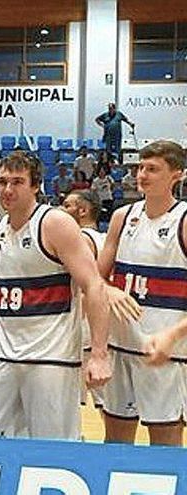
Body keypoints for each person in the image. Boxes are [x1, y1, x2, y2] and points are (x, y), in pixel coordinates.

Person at [0, 151, 111, 440]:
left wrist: (99, 354)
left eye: (18, 182)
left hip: (52, 359)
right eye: (2, 182)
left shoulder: (54, 224)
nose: (8, 190)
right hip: (2, 355)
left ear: (36, 186)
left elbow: (94, 286)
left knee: (52, 449)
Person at [96, 140, 187, 446]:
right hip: (121, 345)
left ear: (177, 175)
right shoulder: (123, 217)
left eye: (153, 169)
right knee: (116, 442)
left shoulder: (183, 220)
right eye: (140, 168)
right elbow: (95, 279)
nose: (142, 175)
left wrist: (172, 336)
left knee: (165, 445)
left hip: (164, 353)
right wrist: (108, 292)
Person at [60, 190, 107, 412]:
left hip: (82, 330)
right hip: (100, 329)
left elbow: (88, 287)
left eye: (67, 205)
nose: (61, 209)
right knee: (107, 407)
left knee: (69, 405)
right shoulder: (105, 238)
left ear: (83, 210)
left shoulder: (80, 240)